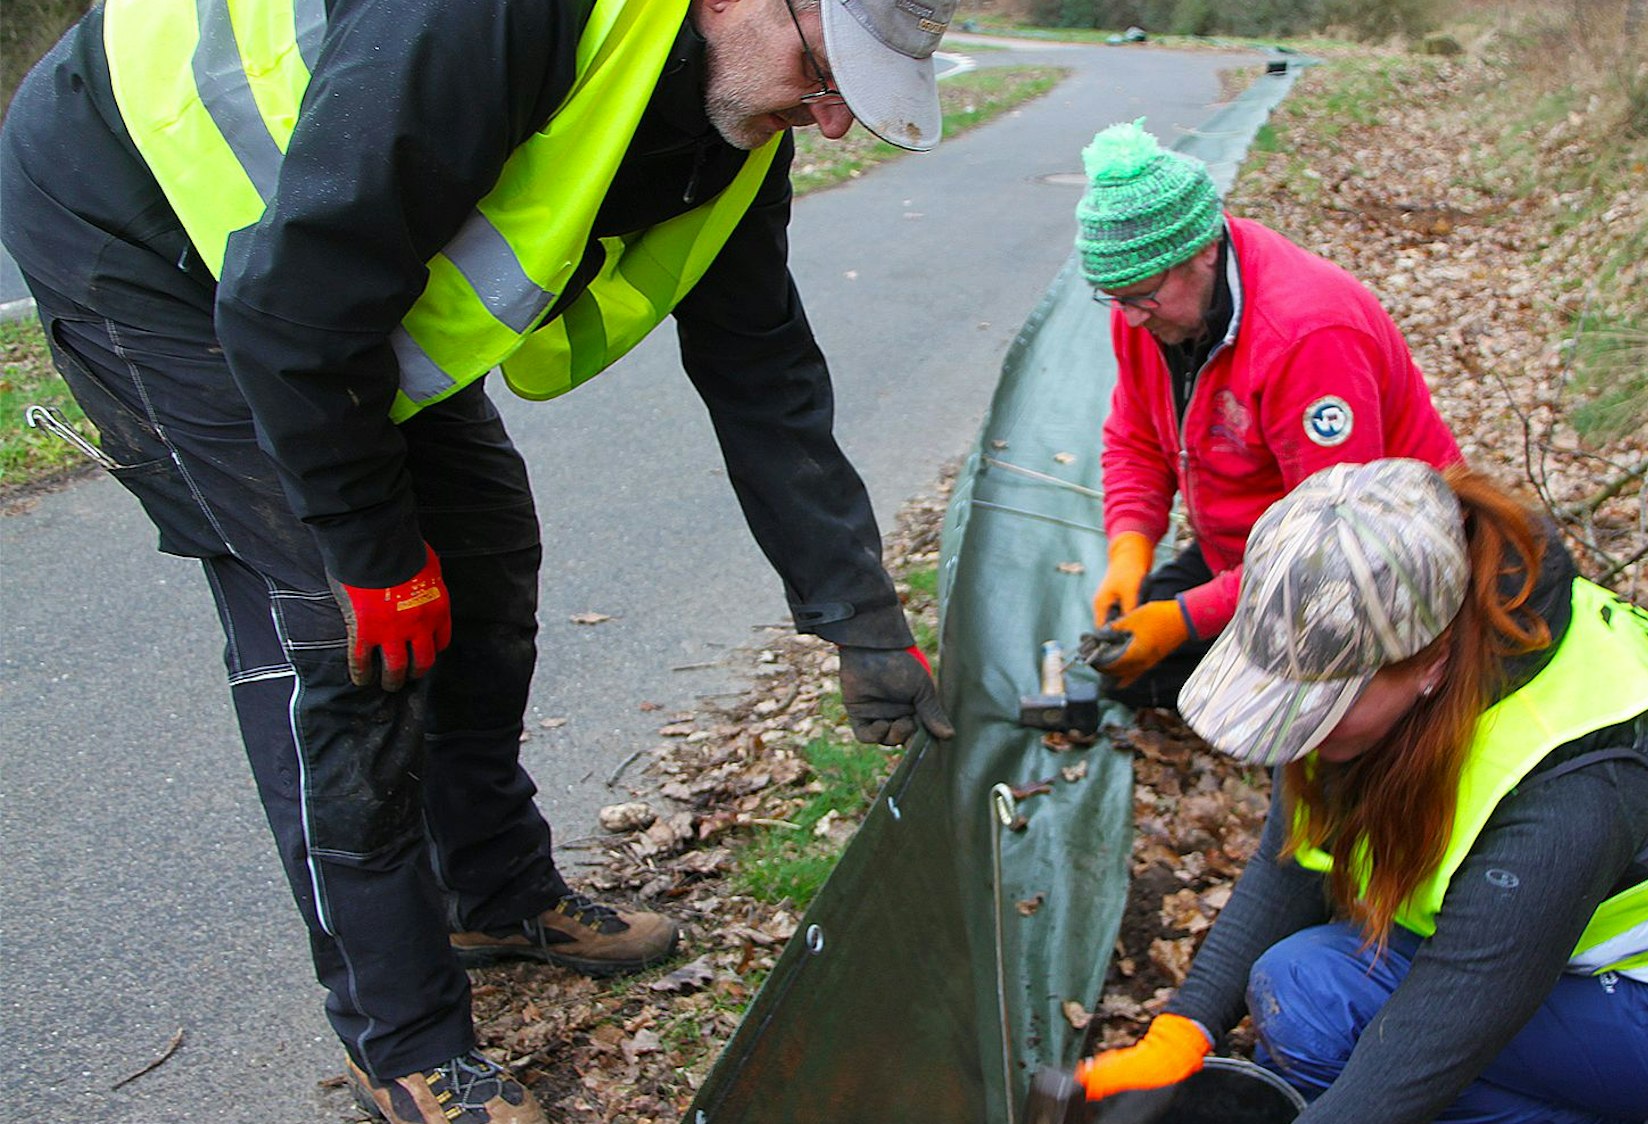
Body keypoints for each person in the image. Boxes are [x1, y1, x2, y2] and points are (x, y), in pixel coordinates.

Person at [0, 0, 958, 1117]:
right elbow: (290, 311)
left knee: (485, 554)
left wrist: (859, 615)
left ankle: (493, 891)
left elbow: (765, 373)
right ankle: (399, 1030)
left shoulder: (733, 119)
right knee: (342, 627)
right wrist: (370, 551)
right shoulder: (487, 20)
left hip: (323, 267)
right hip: (140, 225)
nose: (830, 121)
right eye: (823, 73)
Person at [1074, 459, 1648, 1123]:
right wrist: (1181, 1032)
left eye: (1321, 709)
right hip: (1572, 935)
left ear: (1430, 660)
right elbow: (1293, 855)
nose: (1300, 738)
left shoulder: (1574, 778)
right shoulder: (1387, 629)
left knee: (1313, 1004)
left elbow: (1442, 1024)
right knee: (1307, 984)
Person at [1072, 121, 1462, 709]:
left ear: (1203, 251)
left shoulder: (1306, 337)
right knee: (1124, 668)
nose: (1128, 318)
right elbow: (1133, 438)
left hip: (1374, 560)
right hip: (1245, 546)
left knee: (1266, 704)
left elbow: (1329, 550)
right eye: (1115, 297)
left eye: (1141, 296)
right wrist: (1130, 549)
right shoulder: (1148, 305)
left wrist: (1185, 618)